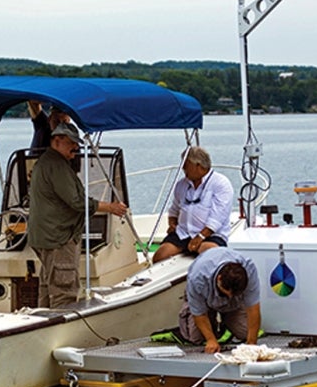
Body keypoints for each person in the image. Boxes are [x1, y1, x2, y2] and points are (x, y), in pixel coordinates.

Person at [27, 121, 128, 308]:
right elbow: (76, 201)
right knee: (64, 291)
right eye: (71, 142)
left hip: (43, 236)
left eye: (76, 143)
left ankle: (41, 319)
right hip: (58, 237)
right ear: (57, 140)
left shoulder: (45, 162)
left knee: (48, 285)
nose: (75, 147)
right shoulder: (56, 165)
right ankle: (58, 327)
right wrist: (110, 207)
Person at [152, 146, 234, 262]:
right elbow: (174, 209)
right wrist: (172, 224)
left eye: (186, 164)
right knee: (160, 256)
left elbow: (217, 218)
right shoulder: (181, 184)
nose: (183, 168)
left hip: (210, 235)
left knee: (213, 257)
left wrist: (200, 237)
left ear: (198, 166)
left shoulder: (221, 183)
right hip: (183, 233)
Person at [177, 247, 261, 354]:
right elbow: (199, 314)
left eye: (234, 294)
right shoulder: (197, 278)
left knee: (245, 333)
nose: (229, 296)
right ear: (219, 279)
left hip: (234, 305)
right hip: (205, 300)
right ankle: (196, 324)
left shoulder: (249, 269)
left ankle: (227, 324)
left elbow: (253, 308)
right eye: (226, 292)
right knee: (196, 338)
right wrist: (211, 340)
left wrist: (252, 343)